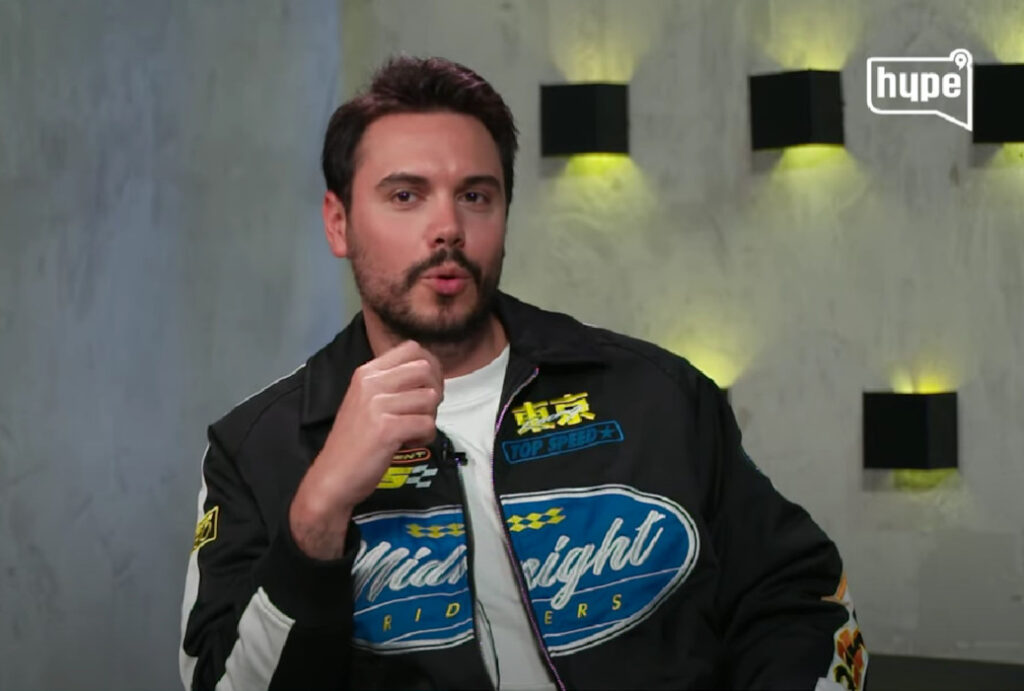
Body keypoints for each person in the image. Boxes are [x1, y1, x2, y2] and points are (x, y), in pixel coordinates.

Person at [178, 56, 867, 691]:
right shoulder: (258, 449)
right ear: (339, 223)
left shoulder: (656, 395)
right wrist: (317, 515)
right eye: (406, 196)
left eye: (475, 196)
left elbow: (802, 597)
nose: (448, 227)